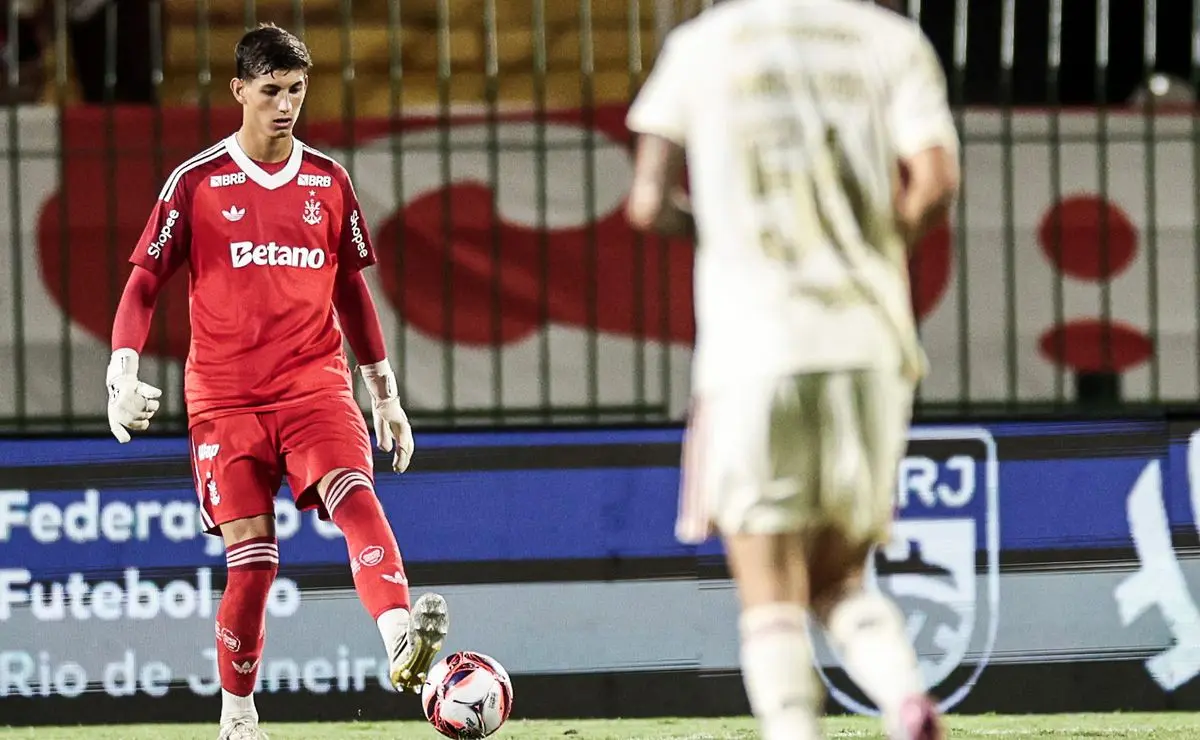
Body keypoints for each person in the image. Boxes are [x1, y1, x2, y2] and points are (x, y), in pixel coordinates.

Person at [625, 1, 960, 739]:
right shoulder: (889, 40)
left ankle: (793, 729)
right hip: (869, 342)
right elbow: (935, 182)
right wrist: (865, 251)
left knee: (770, 591)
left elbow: (647, 204)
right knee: (841, 579)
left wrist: (725, 234)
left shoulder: (700, 47)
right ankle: (903, 697)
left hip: (753, 349)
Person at [105, 23, 448, 740]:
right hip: (224, 399)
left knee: (357, 498)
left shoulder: (329, 180)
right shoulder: (196, 182)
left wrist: (383, 394)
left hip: (314, 386)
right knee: (254, 561)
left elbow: (352, 290)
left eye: (296, 90)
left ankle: (400, 645)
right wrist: (122, 368)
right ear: (239, 91)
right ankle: (237, 714)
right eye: (271, 91)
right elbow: (143, 283)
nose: (286, 104)